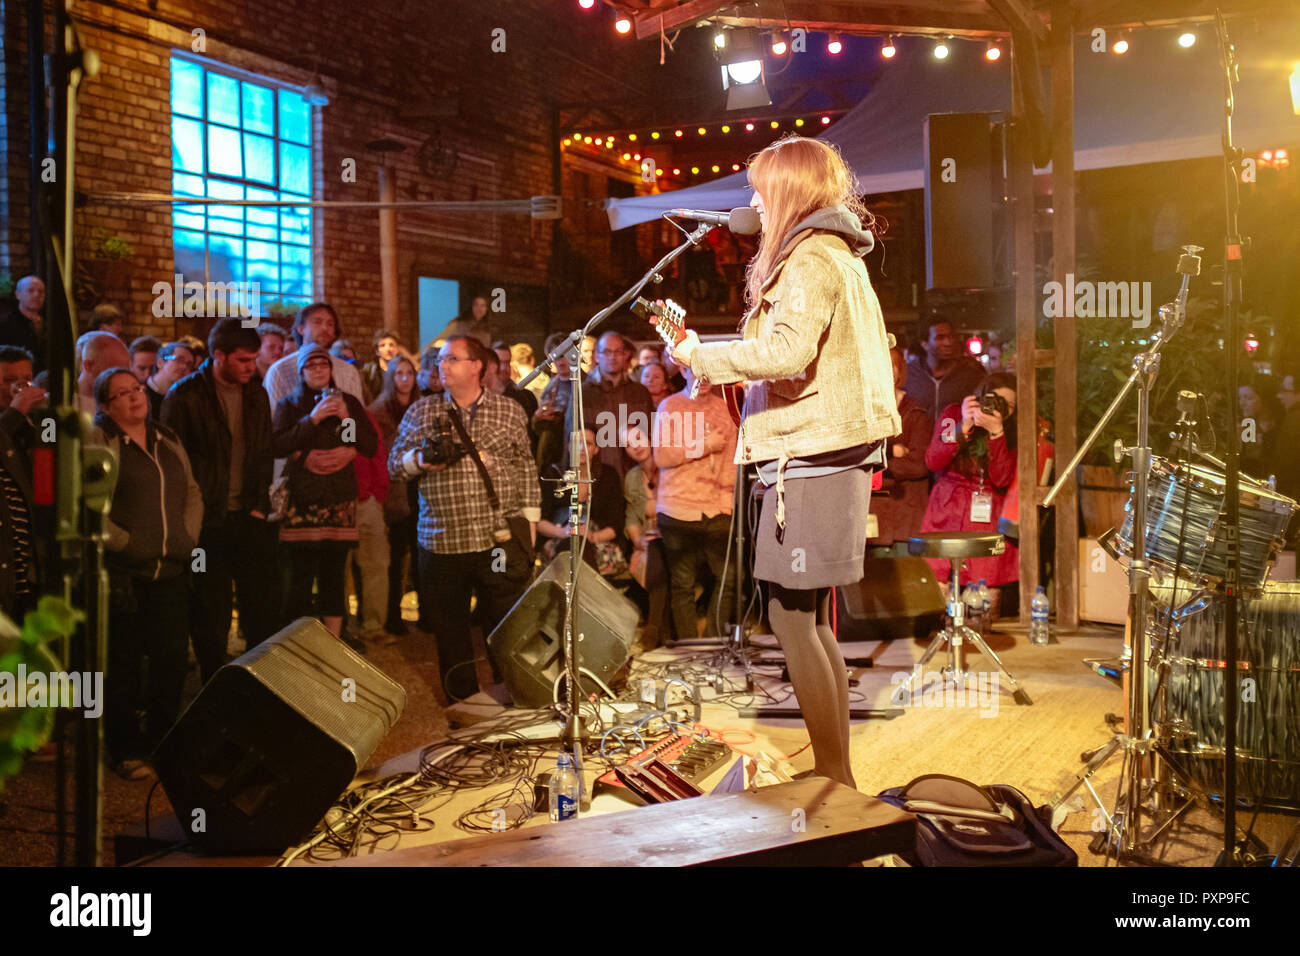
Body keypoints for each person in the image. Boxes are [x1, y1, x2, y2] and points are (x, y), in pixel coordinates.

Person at [667, 136, 899, 788]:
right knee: (806, 617)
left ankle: (833, 777)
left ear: (790, 192)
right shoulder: (834, 254)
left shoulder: (809, 259)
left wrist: (699, 356)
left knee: (791, 618)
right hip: (822, 453)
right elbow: (794, 356)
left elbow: (787, 354)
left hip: (814, 457)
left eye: (761, 189)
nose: (752, 203)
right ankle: (834, 771)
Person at [388, 334, 540, 703]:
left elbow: (526, 469)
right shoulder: (422, 412)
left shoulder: (509, 411)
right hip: (442, 541)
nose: (442, 365)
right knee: (451, 631)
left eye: (452, 358)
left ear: (477, 366)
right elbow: (394, 464)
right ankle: (465, 707)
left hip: (498, 539)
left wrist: (530, 527)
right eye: (440, 360)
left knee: (505, 626)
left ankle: (514, 698)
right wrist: (421, 460)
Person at [88, 368, 202, 780]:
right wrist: (126, 544)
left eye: (137, 388)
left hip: (171, 569)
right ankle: (126, 748)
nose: (136, 397)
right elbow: (88, 506)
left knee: (171, 659)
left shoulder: (166, 437)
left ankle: (163, 741)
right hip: (124, 573)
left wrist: (188, 537)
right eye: (122, 393)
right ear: (105, 406)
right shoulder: (98, 442)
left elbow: (191, 490)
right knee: (123, 664)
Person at [161, 319, 277, 682]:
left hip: (249, 515)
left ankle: (257, 682)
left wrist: (260, 502)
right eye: (243, 360)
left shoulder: (257, 393)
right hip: (206, 521)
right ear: (218, 356)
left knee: (261, 605)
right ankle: (215, 684)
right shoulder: (184, 395)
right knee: (211, 611)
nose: (251, 366)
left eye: (254, 359)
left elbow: (263, 450)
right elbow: (172, 463)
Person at [271, 344, 378, 639]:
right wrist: (313, 420)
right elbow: (279, 444)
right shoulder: (290, 404)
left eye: (323, 365)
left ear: (332, 369)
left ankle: (332, 642)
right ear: (302, 372)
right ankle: (298, 643)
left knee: (333, 576)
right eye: (311, 366)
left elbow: (369, 445)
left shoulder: (349, 402)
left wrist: (346, 419)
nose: (318, 371)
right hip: (302, 499)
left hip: (338, 499)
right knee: (300, 578)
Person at [653, 367, 739, 640]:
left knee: (728, 579)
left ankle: (714, 642)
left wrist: (727, 502)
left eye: (707, 372)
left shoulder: (724, 408)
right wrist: (702, 445)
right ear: (682, 371)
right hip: (678, 508)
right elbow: (663, 457)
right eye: (694, 372)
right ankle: (691, 647)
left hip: (717, 509)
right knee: (683, 584)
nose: (702, 379)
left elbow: (732, 462)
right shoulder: (671, 406)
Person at [919, 372, 1019, 605]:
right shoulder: (954, 413)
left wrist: (997, 433)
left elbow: (1003, 478)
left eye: (1009, 405)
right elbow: (933, 459)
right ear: (981, 395)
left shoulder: (1013, 431)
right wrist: (963, 426)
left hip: (988, 515)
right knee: (939, 592)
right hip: (947, 510)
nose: (1001, 409)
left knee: (984, 599)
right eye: (995, 400)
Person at [370, 354, 421, 636]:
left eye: (409, 373)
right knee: (396, 557)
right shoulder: (380, 410)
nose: (404, 378)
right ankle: (392, 615)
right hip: (395, 491)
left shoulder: (421, 406)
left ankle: (425, 614)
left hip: (420, 488)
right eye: (399, 373)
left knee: (420, 555)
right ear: (391, 377)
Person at [867, 348, 933, 546]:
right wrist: (892, 451)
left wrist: (876, 462)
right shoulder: (861, 413)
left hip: (905, 515)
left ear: (899, 371)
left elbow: (918, 464)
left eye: (890, 365)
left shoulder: (916, 413)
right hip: (870, 513)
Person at [566, 331, 654, 480]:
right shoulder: (582, 393)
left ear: (625, 355)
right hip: (598, 479)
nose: (612, 357)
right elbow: (572, 439)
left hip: (635, 477)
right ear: (597, 356)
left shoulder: (640, 392)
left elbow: (652, 435)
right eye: (607, 352)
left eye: (618, 351)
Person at [0, 345, 47, 619]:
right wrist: (15, 413)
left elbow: (46, 484)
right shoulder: (11, 421)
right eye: (8, 380)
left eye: (26, 379)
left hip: (27, 570)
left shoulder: (30, 427)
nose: (19, 387)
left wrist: (47, 423)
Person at [264, 303, 365, 410]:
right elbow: (273, 420)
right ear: (301, 329)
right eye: (317, 322)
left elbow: (358, 418)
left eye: (330, 324)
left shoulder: (348, 371)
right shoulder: (279, 370)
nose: (325, 328)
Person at [623, 425, 670, 646]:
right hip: (649, 540)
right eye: (629, 445)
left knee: (658, 554)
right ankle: (666, 633)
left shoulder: (670, 467)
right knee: (652, 555)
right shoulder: (632, 478)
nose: (636, 447)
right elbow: (632, 516)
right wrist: (636, 539)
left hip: (674, 535)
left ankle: (652, 630)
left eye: (639, 438)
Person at [904, 317, 986, 422]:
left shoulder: (971, 376)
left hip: (955, 437)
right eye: (940, 338)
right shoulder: (909, 374)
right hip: (918, 437)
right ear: (925, 344)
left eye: (950, 337)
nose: (948, 342)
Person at [75, 331, 131, 416]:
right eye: (112, 372)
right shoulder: (62, 404)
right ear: (89, 365)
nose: (120, 380)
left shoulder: (123, 405)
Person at [0, 276, 46, 370]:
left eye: (41, 291)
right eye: (30, 290)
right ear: (18, 294)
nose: (36, 295)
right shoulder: (5, 325)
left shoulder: (49, 325)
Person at [1239, 380, 1280, 481]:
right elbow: (1249, 457)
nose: (1242, 403)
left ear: (1264, 400)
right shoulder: (1248, 422)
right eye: (1240, 398)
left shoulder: (1280, 422)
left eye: (1249, 398)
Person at [145, 341, 196, 419]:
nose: (184, 367)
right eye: (179, 360)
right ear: (160, 362)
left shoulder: (186, 398)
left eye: (189, 364)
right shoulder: (141, 391)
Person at [361, 329, 401, 400]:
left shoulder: (403, 370)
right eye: (383, 345)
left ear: (397, 349)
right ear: (377, 351)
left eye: (391, 345)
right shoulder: (368, 371)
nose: (388, 349)